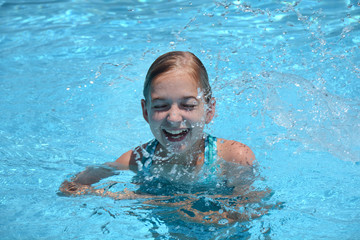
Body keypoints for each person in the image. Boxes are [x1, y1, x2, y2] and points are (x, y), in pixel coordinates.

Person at [60, 51, 255, 199]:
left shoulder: (233, 156)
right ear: (146, 111)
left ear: (209, 110)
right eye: (161, 106)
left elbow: (247, 210)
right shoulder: (137, 160)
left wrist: (165, 203)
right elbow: (69, 187)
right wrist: (117, 196)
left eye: (188, 105)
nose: (173, 118)